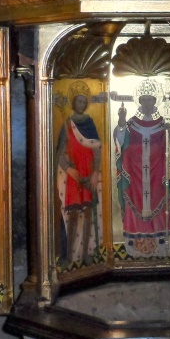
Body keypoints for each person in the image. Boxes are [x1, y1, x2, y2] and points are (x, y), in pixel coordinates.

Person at [113, 86, 170, 257]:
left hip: (158, 175)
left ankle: (162, 246)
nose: (147, 103)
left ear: (155, 102)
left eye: (150, 99)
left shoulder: (163, 124)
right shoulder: (131, 124)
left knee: (160, 205)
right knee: (134, 206)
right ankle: (132, 246)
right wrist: (121, 122)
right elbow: (121, 141)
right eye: (144, 100)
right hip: (135, 176)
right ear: (139, 102)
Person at [55, 90, 102, 264]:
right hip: (74, 174)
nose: (81, 104)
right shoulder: (67, 124)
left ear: (86, 104)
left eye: (83, 102)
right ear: (73, 104)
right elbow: (59, 152)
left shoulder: (90, 124)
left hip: (88, 173)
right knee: (73, 214)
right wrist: (68, 169)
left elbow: (97, 149)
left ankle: (85, 255)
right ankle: (69, 256)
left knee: (88, 213)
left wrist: (95, 172)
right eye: (78, 101)